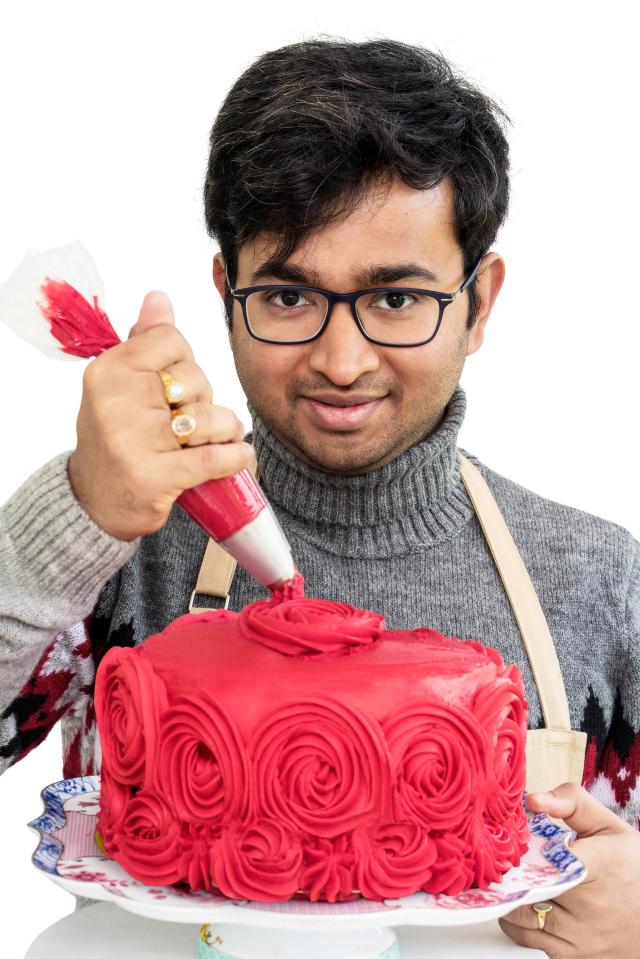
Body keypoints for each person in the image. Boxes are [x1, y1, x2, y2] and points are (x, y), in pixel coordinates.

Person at [1, 37, 638, 957]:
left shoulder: (604, 581)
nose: (343, 362)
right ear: (225, 292)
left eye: (396, 300)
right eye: (290, 296)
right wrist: (74, 512)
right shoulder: (123, 555)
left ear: (480, 302)